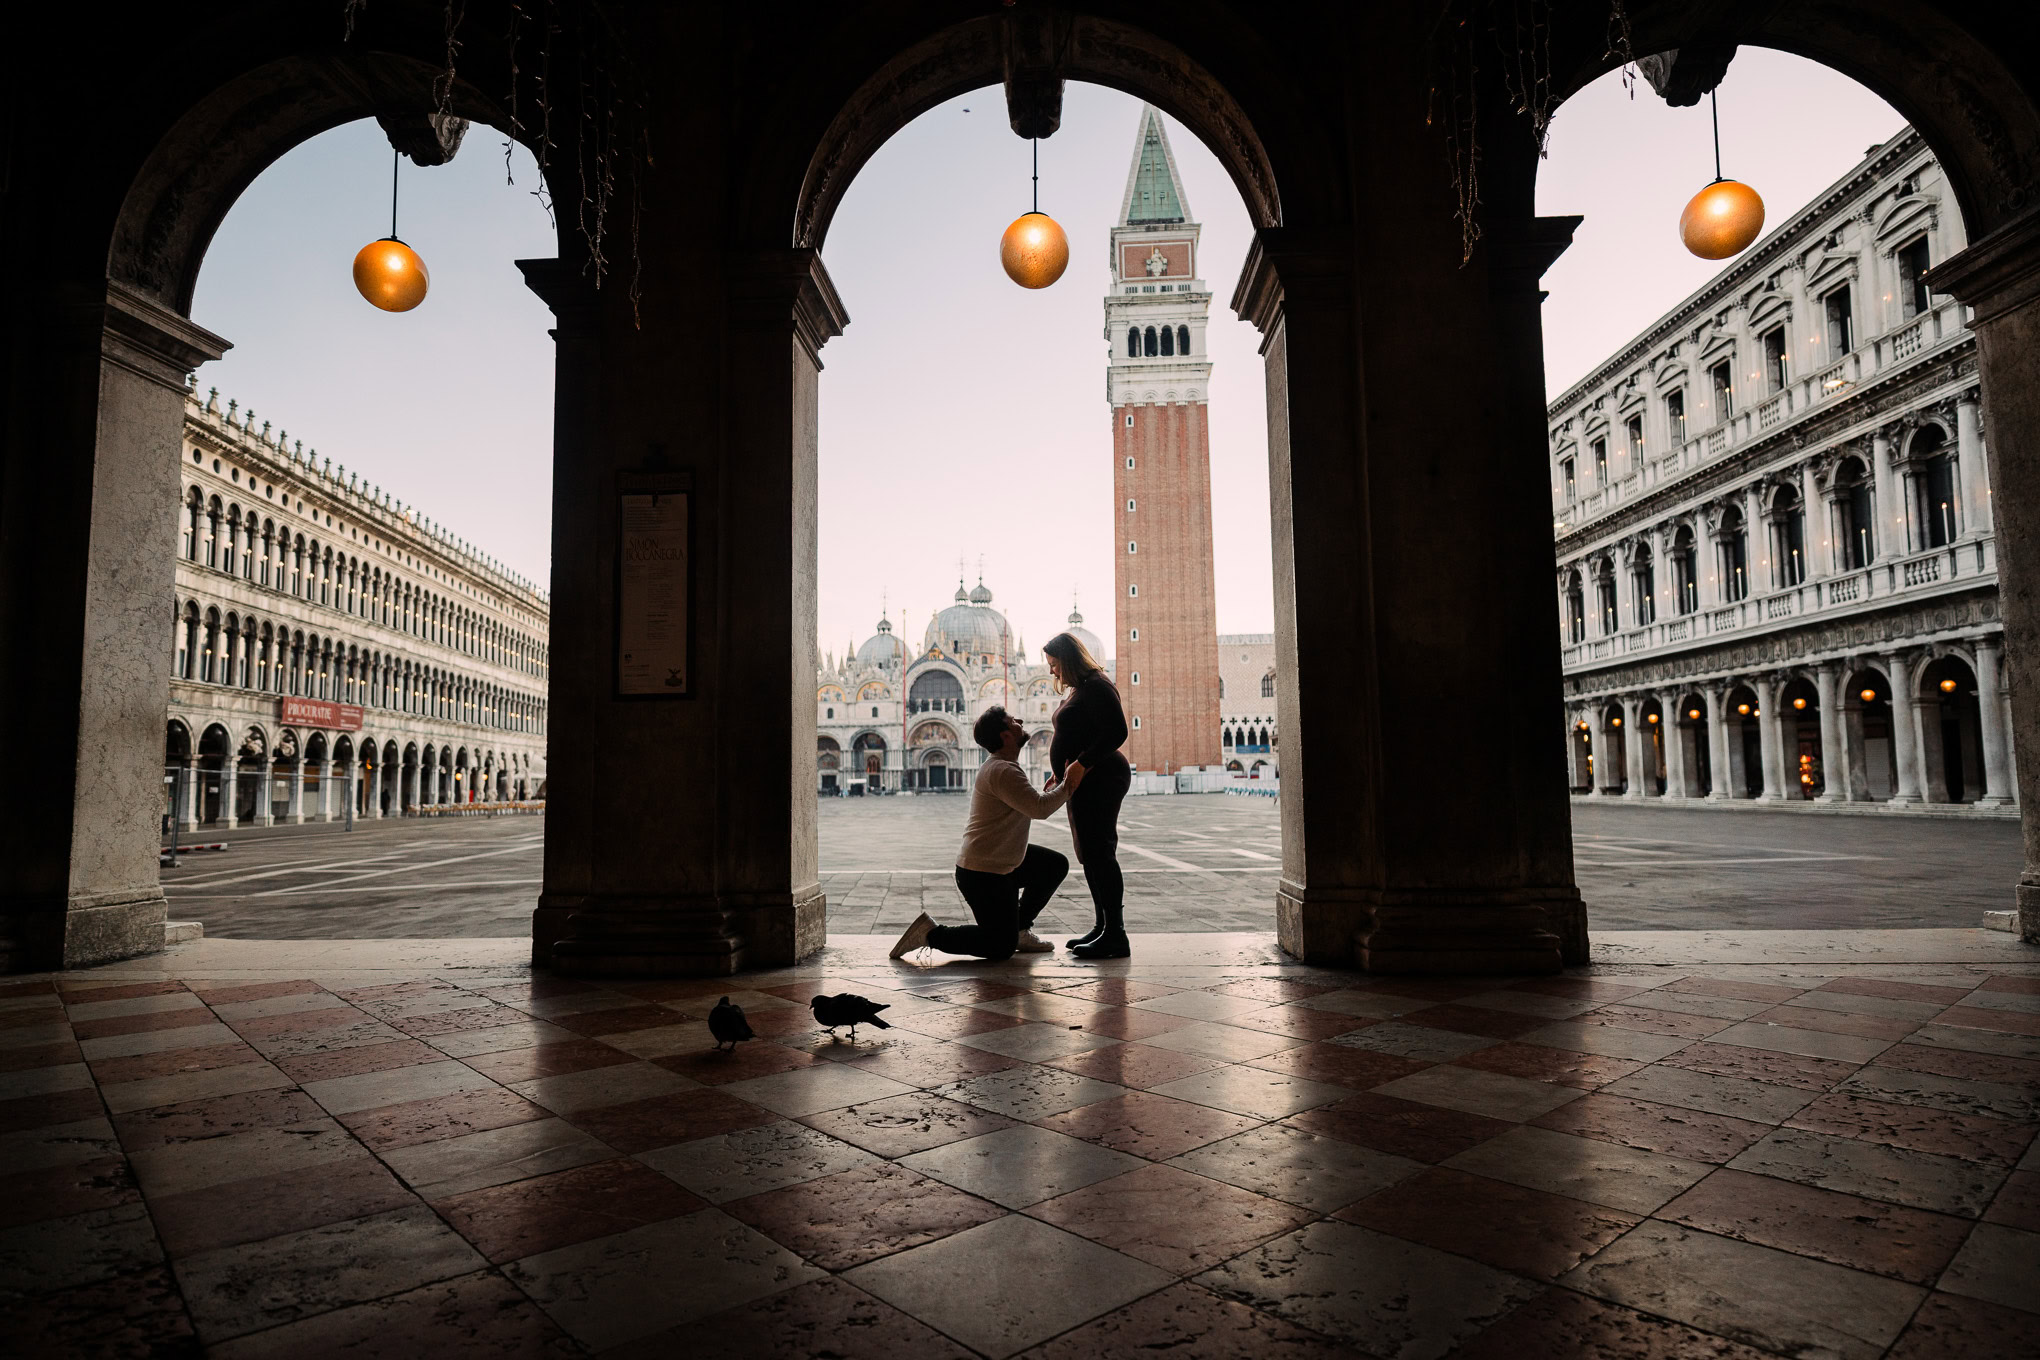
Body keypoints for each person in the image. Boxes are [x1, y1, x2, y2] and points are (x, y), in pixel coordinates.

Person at [890, 706, 1085, 962]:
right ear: (1005, 736)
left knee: (1053, 865)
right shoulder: (1003, 770)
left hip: (1002, 861)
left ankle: (1019, 929)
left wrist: (1054, 789)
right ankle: (930, 933)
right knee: (999, 947)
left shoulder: (1002, 767)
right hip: (982, 874)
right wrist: (1070, 782)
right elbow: (1039, 809)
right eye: (1012, 721)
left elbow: (1031, 801)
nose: (1020, 721)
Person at [1041, 630, 1133, 959]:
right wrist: (1061, 770)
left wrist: (1081, 763)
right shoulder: (1082, 688)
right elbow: (1080, 732)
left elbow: (1117, 731)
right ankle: (1102, 926)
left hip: (1102, 777)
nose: (1052, 671)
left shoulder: (1097, 684)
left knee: (1100, 852)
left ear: (1068, 660)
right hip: (1082, 779)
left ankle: (1116, 935)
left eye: (1054, 664)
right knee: (1089, 853)